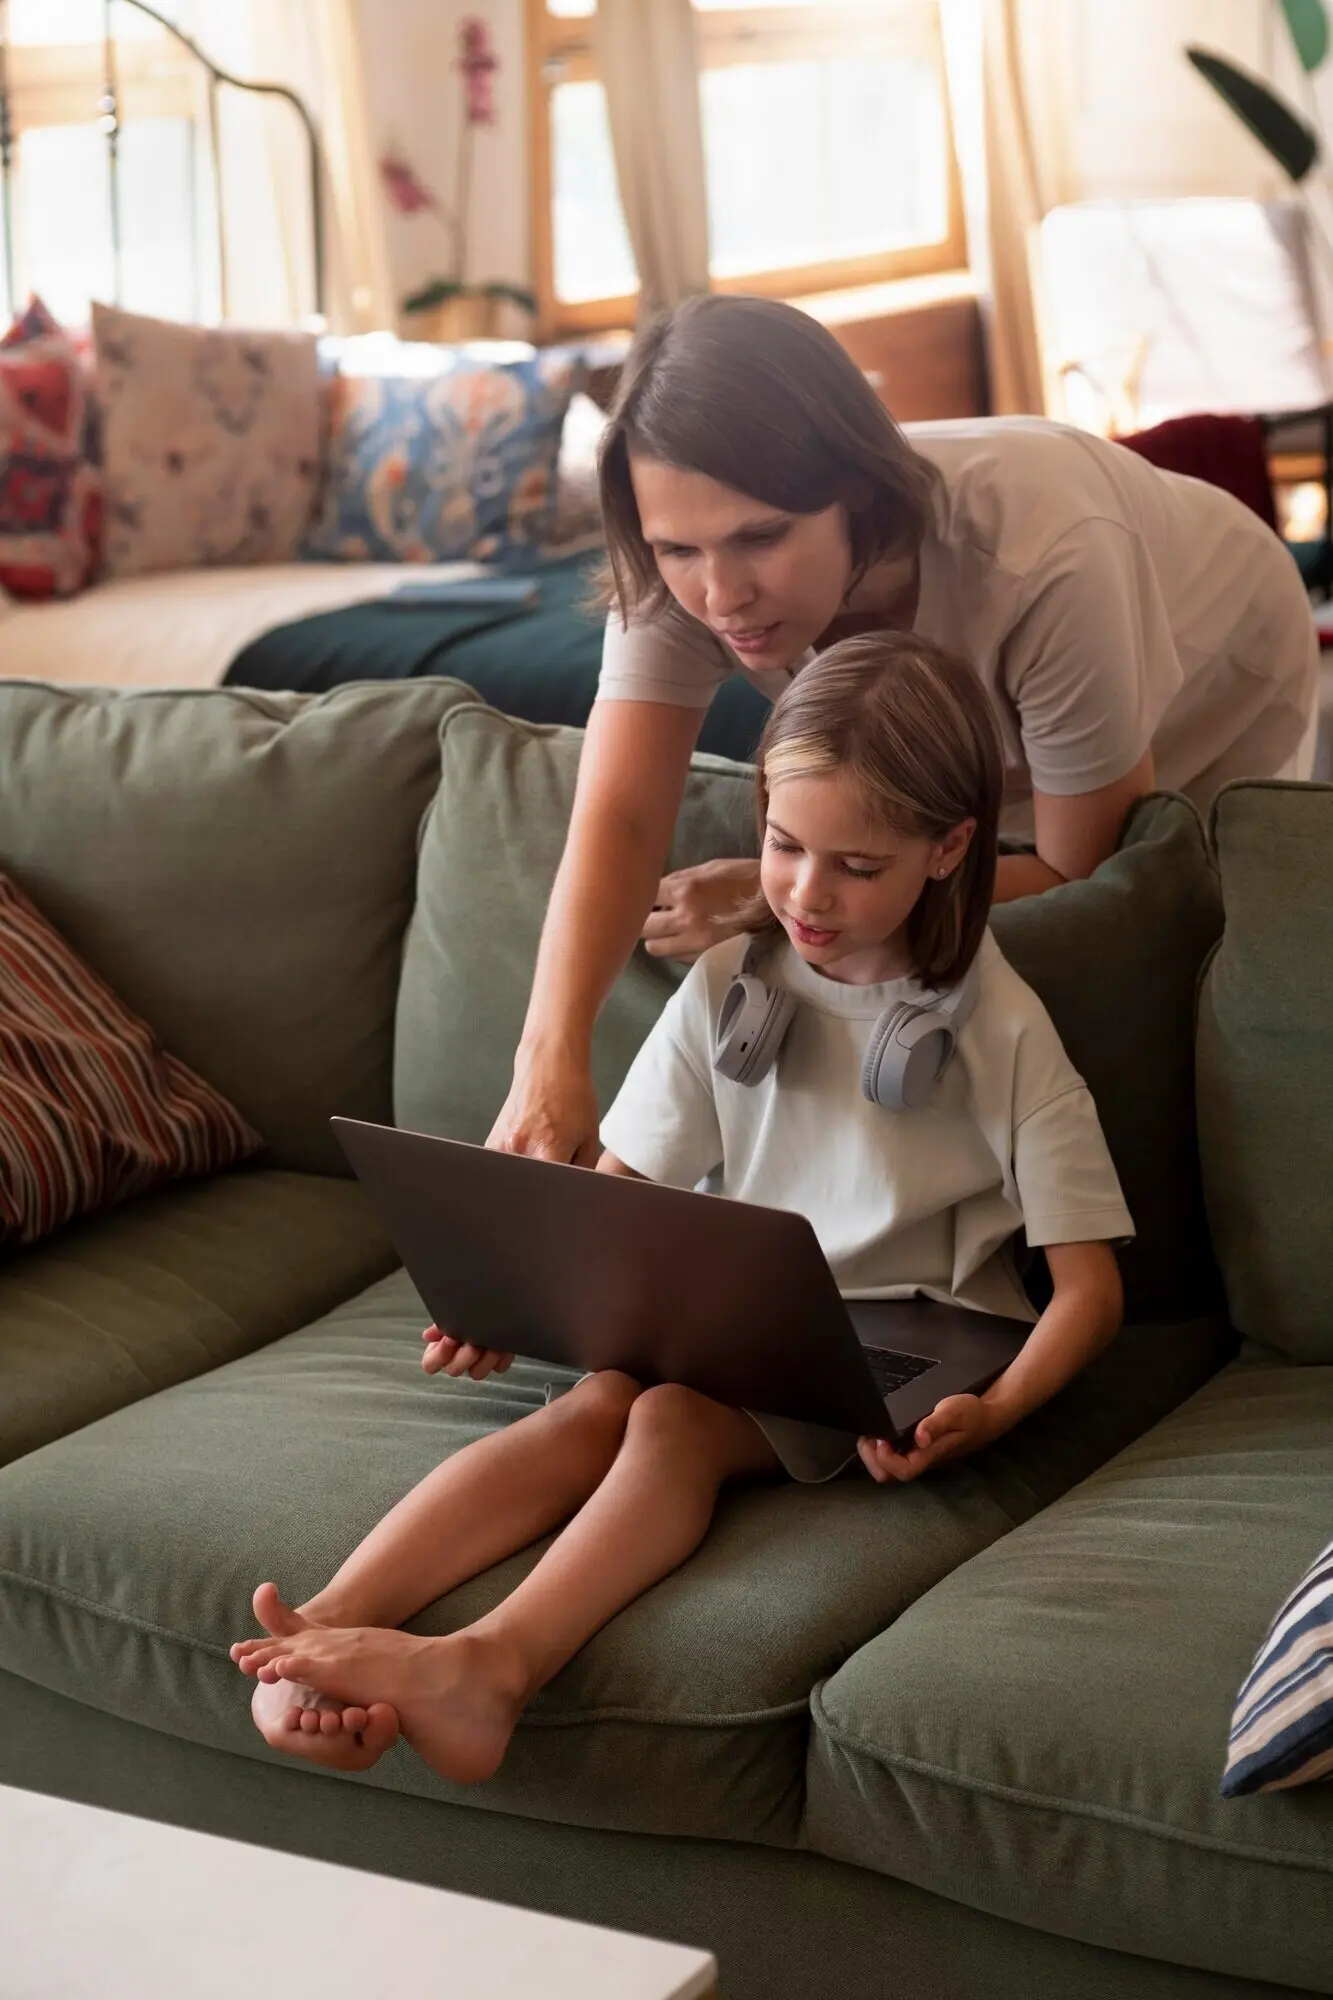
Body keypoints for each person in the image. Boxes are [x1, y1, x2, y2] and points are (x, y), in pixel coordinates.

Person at [230, 633, 1132, 1786]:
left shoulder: (999, 1024)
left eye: (856, 865)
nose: (806, 892)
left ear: (950, 847)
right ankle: (315, 1632)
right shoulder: (730, 986)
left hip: (912, 1342)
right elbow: (624, 1197)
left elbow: (1090, 1288)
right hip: (738, 1309)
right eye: (783, 844)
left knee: (664, 1421)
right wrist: (531, 1302)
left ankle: (489, 1666)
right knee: (598, 1395)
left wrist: (995, 1412)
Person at [495, 293, 1317, 1169]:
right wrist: (545, 1063)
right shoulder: (685, 574)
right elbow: (618, 817)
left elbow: (1081, 872)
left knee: (1145, 916)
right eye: (677, 550)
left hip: (1215, 659)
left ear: (854, 492)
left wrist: (770, 899)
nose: (719, 595)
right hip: (982, 716)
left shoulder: (1045, 555)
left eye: (761, 537)